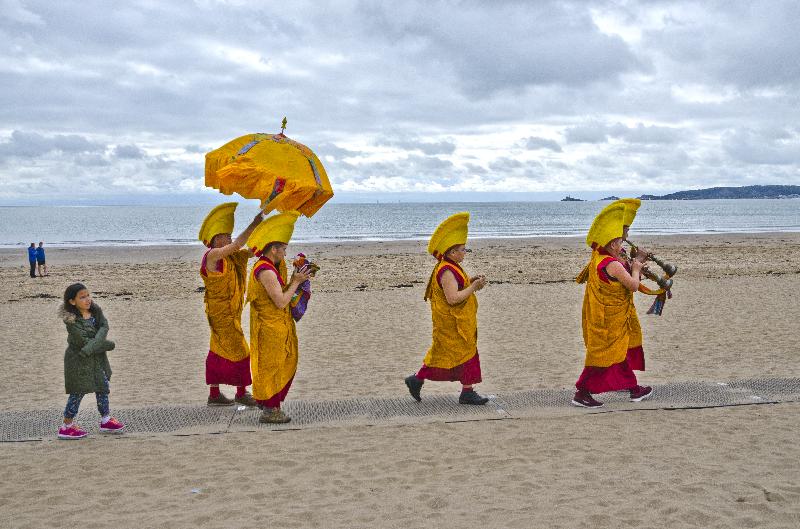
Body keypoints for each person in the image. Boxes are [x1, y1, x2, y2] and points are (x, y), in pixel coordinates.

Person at [572, 202, 653, 408]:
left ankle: (633, 388)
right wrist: (636, 266)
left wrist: (637, 267)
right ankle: (582, 393)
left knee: (620, 351)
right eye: (619, 240)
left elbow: (624, 282)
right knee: (602, 356)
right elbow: (633, 285)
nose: (623, 243)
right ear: (612, 244)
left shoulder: (599, 257)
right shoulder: (613, 264)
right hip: (609, 318)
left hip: (612, 316)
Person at [404, 212, 490, 405]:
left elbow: (459, 287)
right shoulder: (446, 270)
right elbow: (452, 298)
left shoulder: (452, 265)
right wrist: (473, 287)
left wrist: (470, 281)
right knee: (449, 354)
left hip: (457, 322)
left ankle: (464, 390)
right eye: (462, 249)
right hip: (452, 323)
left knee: (461, 354)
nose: (465, 252)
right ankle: (418, 379)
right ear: (452, 252)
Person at [246, 211, 311, 424]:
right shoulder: (265, 270)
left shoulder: (272, 266)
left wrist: (295, 278)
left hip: (277, 323)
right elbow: (281, 301)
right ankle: (271, 409)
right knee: (272, 366)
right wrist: (295, 283)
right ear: (273, 249)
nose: (285, 254)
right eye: (283, 249)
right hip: (269, 325)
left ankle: (268, 404)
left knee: (281, 362)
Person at [198, 202, 263, 407]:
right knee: (241, 350)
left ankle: (214, 394)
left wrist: (266, 237)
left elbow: (248, 251)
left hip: (228, 312)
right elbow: (237, 246)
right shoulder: (212, 255)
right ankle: (241, 392)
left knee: (217, 349)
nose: (230, 238)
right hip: (220, 313)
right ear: (217, 239)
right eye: (226, 235)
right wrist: (253, 224)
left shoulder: (230, 257)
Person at [57, 283, 125, 439]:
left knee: (102, 386)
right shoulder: (71, 321)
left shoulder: (96, 311)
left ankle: (105, 419)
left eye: (88, 295)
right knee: (78, 391)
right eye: (82, 297)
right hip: (79, 359)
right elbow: (84, 342)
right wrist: (108, 344)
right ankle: (66, 426)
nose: (87, 299)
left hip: (97, 357)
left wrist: (99, 343)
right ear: (72, 301)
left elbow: (104, 326)